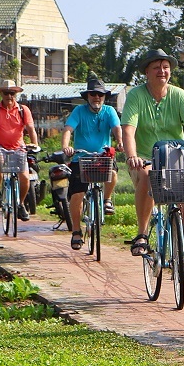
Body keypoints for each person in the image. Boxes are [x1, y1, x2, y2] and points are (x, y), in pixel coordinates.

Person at [121, 49, 184, 282]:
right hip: (145, 157)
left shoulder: (179, 95)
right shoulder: (136, 96)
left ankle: (180, 256)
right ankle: (142, 234)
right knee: (147, 175)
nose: (162, 71)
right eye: (156, 67)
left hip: (176, 158)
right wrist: (132, 155)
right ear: (146, 72)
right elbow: (128, 130)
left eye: (166, 67)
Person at [60, 76, 123, 251]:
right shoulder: (79, 111)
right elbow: (68, 129)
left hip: (103, 157)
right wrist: (66, 146)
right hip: (81, 158)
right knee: (78, 195)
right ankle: (76, 231)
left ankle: (107, 199)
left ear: (104, 97)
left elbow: (117, 128)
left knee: (113, 173)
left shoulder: (109, 111)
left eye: (100, 95)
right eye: (93, 94)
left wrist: (120, 142)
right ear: (88, 96)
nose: (97, 98)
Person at [0, 80, 40, 220]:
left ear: (16, 94)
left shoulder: (23, 110)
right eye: (6, 93)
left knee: (25, 177)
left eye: (12, 93)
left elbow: (31, 128)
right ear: (1, 93)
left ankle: (20, 204)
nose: (9, 96)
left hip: (18, 147)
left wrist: (34, 144)